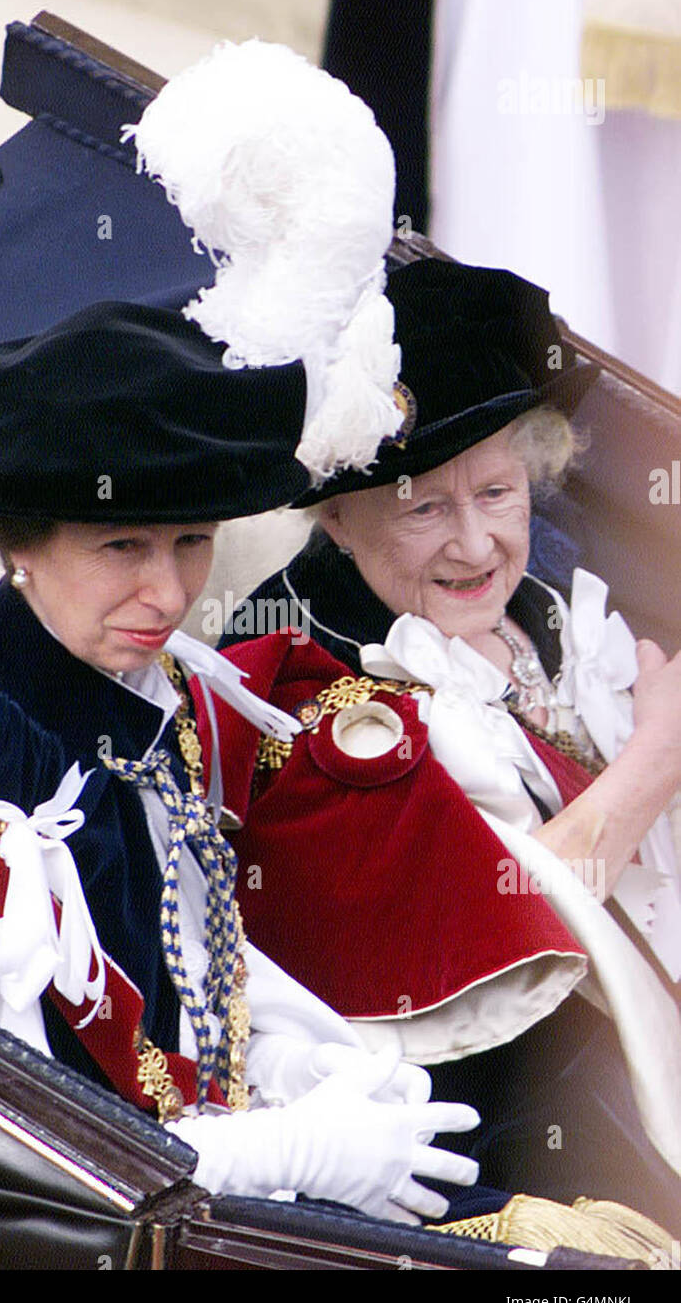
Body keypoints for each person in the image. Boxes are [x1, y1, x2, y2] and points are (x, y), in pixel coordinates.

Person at [0, 298, 488, 1223]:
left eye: (192, 541)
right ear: (18, 545)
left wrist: (285, 1064)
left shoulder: (151, 689)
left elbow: (185, 966)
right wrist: (278, 1151)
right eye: (121, 546)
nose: (172, 591)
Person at [200, 258, 681, 1240]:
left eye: (497, 491)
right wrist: (657, 759)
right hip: (512, 1149)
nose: (473, 545)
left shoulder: (551, 611)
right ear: (335, 514)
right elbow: (501, 911)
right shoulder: (290, 691)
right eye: (423, 507)